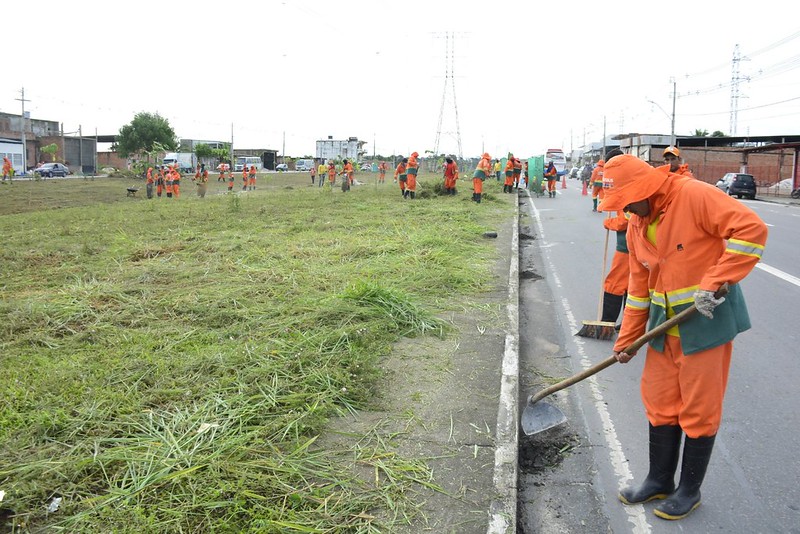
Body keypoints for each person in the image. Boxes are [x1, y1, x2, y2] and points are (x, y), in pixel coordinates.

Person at [600, 154, 768, 521]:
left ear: (646, 189)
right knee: (659, 403)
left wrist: (714, 283)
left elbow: (751, 230)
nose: (626, 209)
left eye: (628, 200)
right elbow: (639, 286)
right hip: (663, 328)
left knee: (699, 409)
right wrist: (628, 338)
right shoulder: (636, 223)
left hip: (705, 322)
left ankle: (689, 490)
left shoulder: (694, 196)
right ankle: (658, 479)